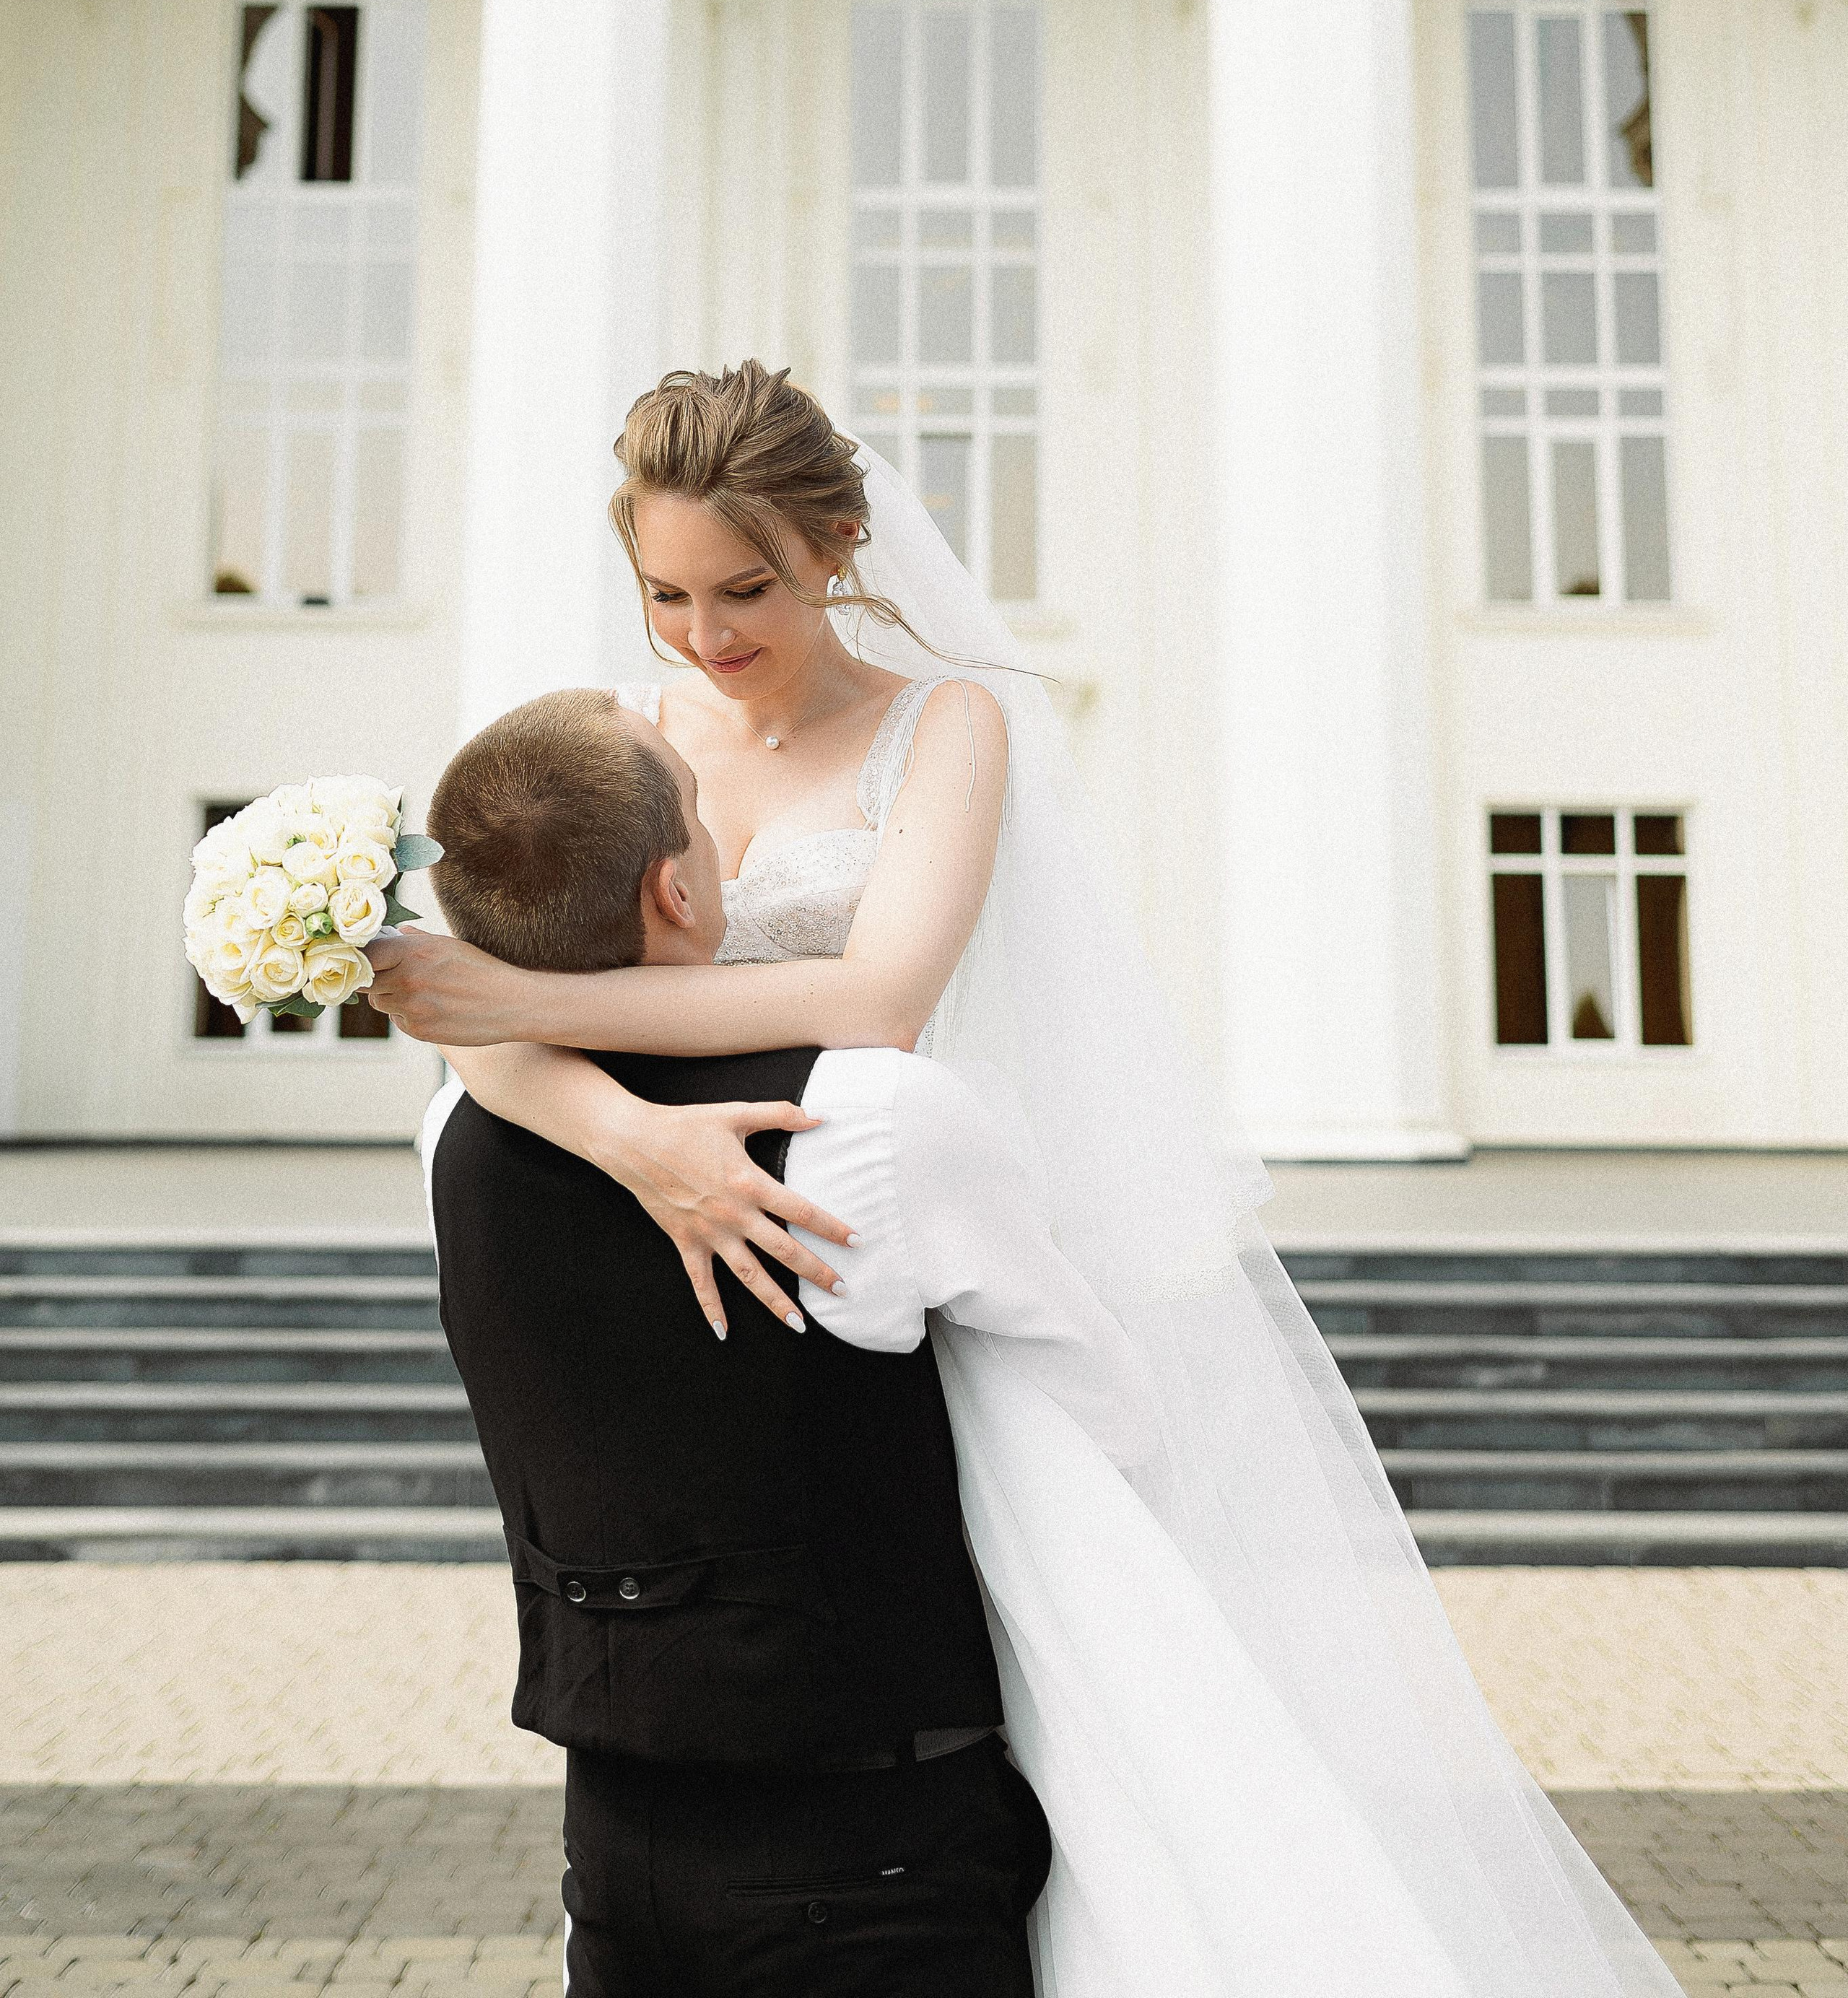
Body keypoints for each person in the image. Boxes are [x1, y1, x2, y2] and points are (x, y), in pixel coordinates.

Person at [372, 360, 1680, 1998]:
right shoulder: (626, 745)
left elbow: (874, 1000)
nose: (705, 636)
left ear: (840, 545)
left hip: (893, 1231)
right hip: (698, 1260)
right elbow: (457, 1029)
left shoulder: (945, 723)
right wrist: (631, 1135)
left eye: (748, 589)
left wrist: (537, 1013)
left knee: (1099, 1754)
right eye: (665, 595)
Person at [420, 685, 1149, 1996]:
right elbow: (1099, 1417)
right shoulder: (865, 1120)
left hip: (611, 1833)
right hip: (867, 1845)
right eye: (703, 820)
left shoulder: (459, 1137)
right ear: (680, 893)